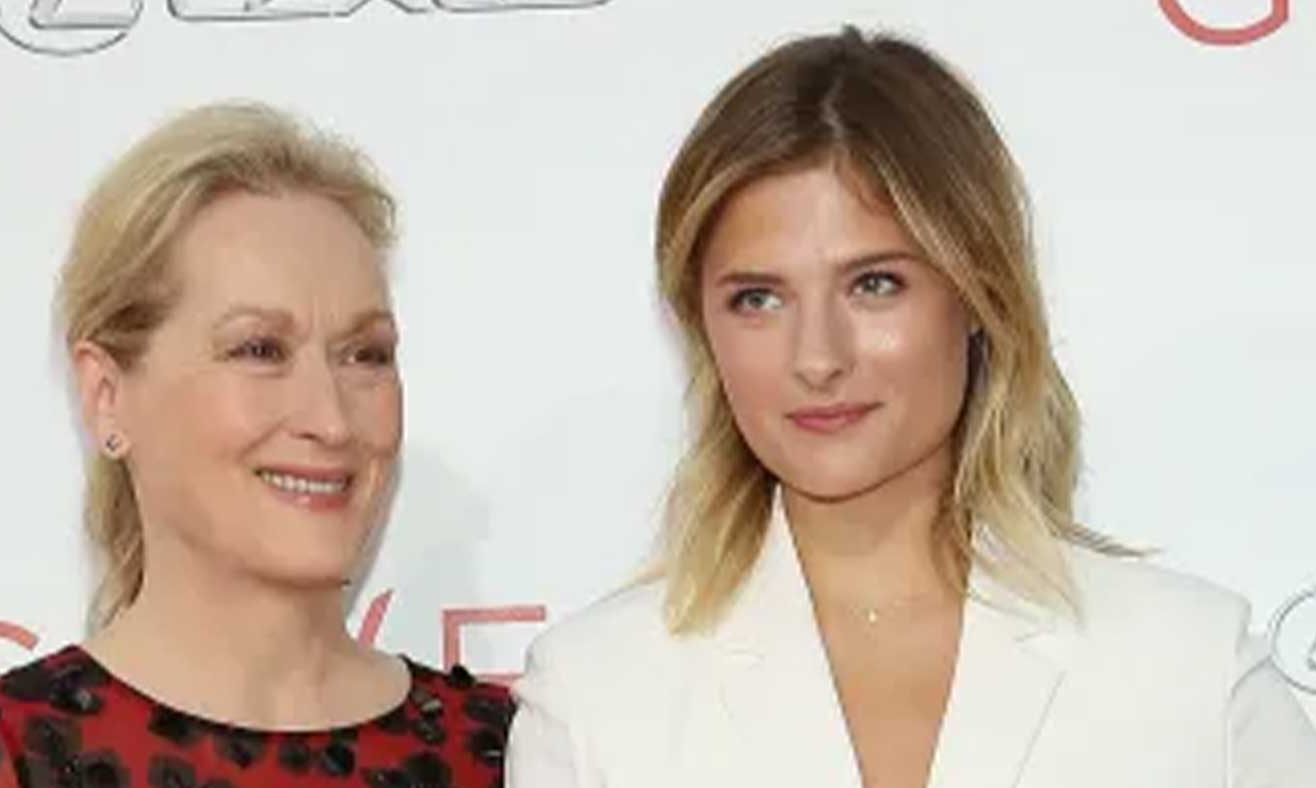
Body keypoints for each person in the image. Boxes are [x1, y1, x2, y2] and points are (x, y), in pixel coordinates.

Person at [505, 27, 1316, 787]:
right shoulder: (593, 700)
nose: (817, 357)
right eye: (758, 298)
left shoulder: (1195, 677)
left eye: (874, 284)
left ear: (978, 290)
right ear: (703, 326)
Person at [0, 102, 512, 788]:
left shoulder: (510, 753)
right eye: (259, 349)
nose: (331, 420)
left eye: (365, 354)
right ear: (105, 393)